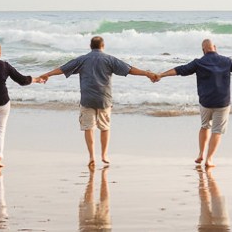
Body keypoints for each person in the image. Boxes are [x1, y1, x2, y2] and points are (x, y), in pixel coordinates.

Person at [38, 36, 158, 167]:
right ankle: (104, 155)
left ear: (90, 46)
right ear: (103, 46)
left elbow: (63, 68)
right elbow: (129, 69)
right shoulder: (110, 59)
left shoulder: (82, 59)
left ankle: (91, 156)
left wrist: (47, 74)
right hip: (104, 99)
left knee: (89, 128)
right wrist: (147, 73)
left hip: (87, 99)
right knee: (105, 128)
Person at [154, 39, 232, 168]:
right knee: (217, 131)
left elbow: (180, 70)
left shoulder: (199, 62)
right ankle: (209, 159)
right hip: (222, 102)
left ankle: (201, 154)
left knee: (204, 126)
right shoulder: (227, 61)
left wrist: (161, 75)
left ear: (203, 50)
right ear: (215, 47)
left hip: (206, 102)